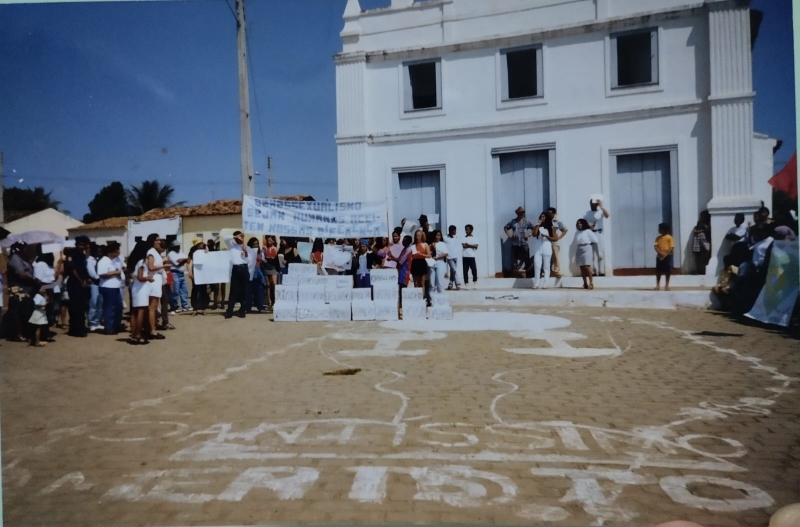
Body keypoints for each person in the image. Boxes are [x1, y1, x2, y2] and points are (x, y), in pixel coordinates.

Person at [6, 242, 40, 342]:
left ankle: (25, 332)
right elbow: (21, 274)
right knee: (17, 312)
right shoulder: (15, 259)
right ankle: (18, 334)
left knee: (26, 311)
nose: (28, 249)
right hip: (18, 290)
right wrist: (34, 278)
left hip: (27, 290)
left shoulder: (24, 258)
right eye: (26, 248)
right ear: (20, 249)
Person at [127, 240, 154, 345]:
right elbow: (140, 277)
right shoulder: (141, 262)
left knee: (134, 312)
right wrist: (148, 278)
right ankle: (138, 334)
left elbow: (130, 274)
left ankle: (133, 334)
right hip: (141, 287)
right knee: (141, 312)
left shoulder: (132, 260)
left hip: (135, 286)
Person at [65, 236, 92, 338]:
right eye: (80, 245)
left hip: (82, 282)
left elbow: (83, 270)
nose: (82, 247)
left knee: (82, 307)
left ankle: (81, 326)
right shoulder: (71, 254)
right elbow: (73, 270)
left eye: (84, 245)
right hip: (74, 282)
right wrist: (81, 281)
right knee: (75, 307)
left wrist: (87, 278)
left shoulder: (82, 255)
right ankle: (75, 329)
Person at [144, 233, 170, 339]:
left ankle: (152, 327)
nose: (159, 242)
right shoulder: (151, 252)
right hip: (154, 280)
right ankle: (152, 330)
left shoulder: (154, 252)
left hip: (158, 279)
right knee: (152, 307)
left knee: (154, 307)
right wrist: (163, 266)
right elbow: (151, 267)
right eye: (157, 240)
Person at [97, 241, 125, 335]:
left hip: (116, 286)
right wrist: (115, 273)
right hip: (107, 286)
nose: (118, 253)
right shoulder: (104, 261)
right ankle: (109, 327)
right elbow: (102, 274)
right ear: (110, 252)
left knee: (119, 307)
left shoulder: (117, 260)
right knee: (109, 308)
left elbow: (122, 268)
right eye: (116, 251)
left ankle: (117, 325)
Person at [224, 230, 250, 319]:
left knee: (244, 290)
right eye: (238, 237)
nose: (240, 238)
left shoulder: (245, 246)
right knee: (233, 291)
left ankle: (242, 310)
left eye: (241, 237)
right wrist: (236, 236)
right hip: (236, 268)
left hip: (244, 268)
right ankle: (229, 311)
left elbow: (248, 260)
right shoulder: (232, 246)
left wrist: (245, 252)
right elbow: (226, 238)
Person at [504, 206, 534, 275]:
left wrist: (529, 234)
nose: (520, 214)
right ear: (516, 213)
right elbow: (506, 228)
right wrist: (510, 235)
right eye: (519, 212)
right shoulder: (513, 221)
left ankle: (527, 272)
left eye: (522, 213)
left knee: (526, 257)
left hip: (524, 243)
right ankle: (516, 272)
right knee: (514, 258)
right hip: (515, 243)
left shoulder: (526, 222)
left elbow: (534, 228)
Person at [584, 199, 610, 276]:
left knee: (600, 253)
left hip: (599, 233)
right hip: (590, 233)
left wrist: (601, 206)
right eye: (592, 203)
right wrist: (588, 226)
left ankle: (601, 271)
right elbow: (583, 223)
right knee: (591, 254)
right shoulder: (586, 213)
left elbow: (607, 215)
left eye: (595, 204)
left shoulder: (600, 212)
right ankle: (593, 271)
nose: (593, 205)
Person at [531, 212, 555, 289]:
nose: (542, 218)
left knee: (546, 266)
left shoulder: (551, 227)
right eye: (541, 217)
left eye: (544, 217)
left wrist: (547, 236)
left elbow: (554, 238)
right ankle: (536, 282)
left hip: (546, 247)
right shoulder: (538, 226)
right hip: (538, 248)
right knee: (537, 265)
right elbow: (534, 234)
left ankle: (546, 282)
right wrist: (538, 225)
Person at [186, 238, 209, 316]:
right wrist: (190, 272)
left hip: (204, 271)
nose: (202, 244)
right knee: (195, 290)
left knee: (204, 290)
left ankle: (204, 308)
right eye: (200, 243)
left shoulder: (205, 250)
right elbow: (188, 262)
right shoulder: (192, 252)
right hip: (196, 271)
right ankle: (195, 308)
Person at [574, 218, 598, 290]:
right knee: (582, 267)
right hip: (579, 248)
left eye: (580, 223)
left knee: (587, 267)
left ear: (583, 224)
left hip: (587, 248)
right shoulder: (576, 233)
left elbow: (595, 240)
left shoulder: (588, 231)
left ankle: (591, 283)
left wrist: (589, 244)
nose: (579, 225)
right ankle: (585, 284)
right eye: (578, 223)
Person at [244, 237, 266, 314]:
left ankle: (260, 307)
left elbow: (264, 262)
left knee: (259, 291)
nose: (256, 246)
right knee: (249, 291)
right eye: (254, 244)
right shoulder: (247, 252)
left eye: (257, 244)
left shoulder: (261, 252)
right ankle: (247, 307)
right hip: (250, 273)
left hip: (258, 273)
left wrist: (264, 261)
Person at [168, 241, 190, 314]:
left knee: (184, 290)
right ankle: (174, 307)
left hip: (181, 273)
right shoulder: (171, 254)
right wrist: (184, 260)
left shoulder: (180, 253)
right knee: (175, 291)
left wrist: (183, 260)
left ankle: (185, 306)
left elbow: (188, 260)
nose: (178, 247)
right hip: (175, 273)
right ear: (173, 247)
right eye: (177, 246)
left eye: (179, 245)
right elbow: (177, 262)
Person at [86, 243, 104, 332]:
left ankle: (97, 321)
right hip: (94, 283)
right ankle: (91, 322)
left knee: (100, 304)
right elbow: (91, 272)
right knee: (93, 303)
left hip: (101, 284)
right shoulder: (90, 260)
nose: (99, 253)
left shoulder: (101, 260)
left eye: (100, 252)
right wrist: (99, 277)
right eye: (98, 251)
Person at [410, 230, 431, 302]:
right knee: (416, 282)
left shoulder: (425, 244)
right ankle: (416, 297)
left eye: (419, 236)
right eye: (416, 236)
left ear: (422, 236)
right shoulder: (413, 245)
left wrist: (422, 255)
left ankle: (422, 296)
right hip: (415, 263)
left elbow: (429, 255)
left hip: (422, 263)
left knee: (422, 282)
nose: (417, 237)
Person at [546, 207, 568, 279]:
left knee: (555, 257)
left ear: (554, 213)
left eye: (550, 213)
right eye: (548, 213)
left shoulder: (557, 221)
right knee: (547, 257)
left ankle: (557, 271)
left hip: (554, 241)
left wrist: (559, 237)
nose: (549, 215)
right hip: (546, 241)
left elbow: (565, 229)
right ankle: (546, 272)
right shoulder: (546, 220)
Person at [654, 223, 675, 291]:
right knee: (658, 271)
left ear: (664, 230)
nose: (658, 230)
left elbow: (671, 247)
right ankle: (657, 285)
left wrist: (665, 255)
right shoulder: (658, 238)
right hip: (659, 256)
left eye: (660, 229)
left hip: (667, 256)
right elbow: (655, 246)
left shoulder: (669, 237)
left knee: (667, 271)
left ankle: (667, 285)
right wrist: (660, 253)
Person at [262, 236, 280, 309]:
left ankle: (275, 300)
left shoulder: (276, 249)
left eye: (270, 241)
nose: (269, 242)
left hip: (273, 268)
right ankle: (269, 301)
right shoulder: (265, 249)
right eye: (268, 241)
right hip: (267, 267)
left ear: (273, 241)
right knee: (268, 285)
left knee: (274, 284)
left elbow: (275, 258)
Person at [429, 230, 449, 294]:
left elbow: (445, 253)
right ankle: (432, 300)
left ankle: (441, 299)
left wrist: (437, 257)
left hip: (440, 263)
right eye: (437, 235)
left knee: (440, 283)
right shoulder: (430, 244)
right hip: (432, 264)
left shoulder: (442, 244)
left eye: (439, 235)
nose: (438, 237)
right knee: (432, 283)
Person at [461, 224, 478, 289]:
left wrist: (469, 245)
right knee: (465, 270)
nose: (466, 231)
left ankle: (475, 282)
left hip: (471, 256)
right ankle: (466, 283)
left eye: (467, 229)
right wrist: (471, 245)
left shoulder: (475, 238)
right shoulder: (464, 238)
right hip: (465, 256)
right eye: (466, 229)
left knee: (474, 270)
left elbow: (476, 246)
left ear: (471, 230)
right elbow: (464, 246)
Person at [445, 225, 460, 291]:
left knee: (452, 271)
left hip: (455, 256)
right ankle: (458, 284)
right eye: (454, 230)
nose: (455, 232)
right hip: (449, 257)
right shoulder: (445, 238)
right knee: (454, 270)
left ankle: (450, 284)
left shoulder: (455, 237)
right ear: (450, 231)